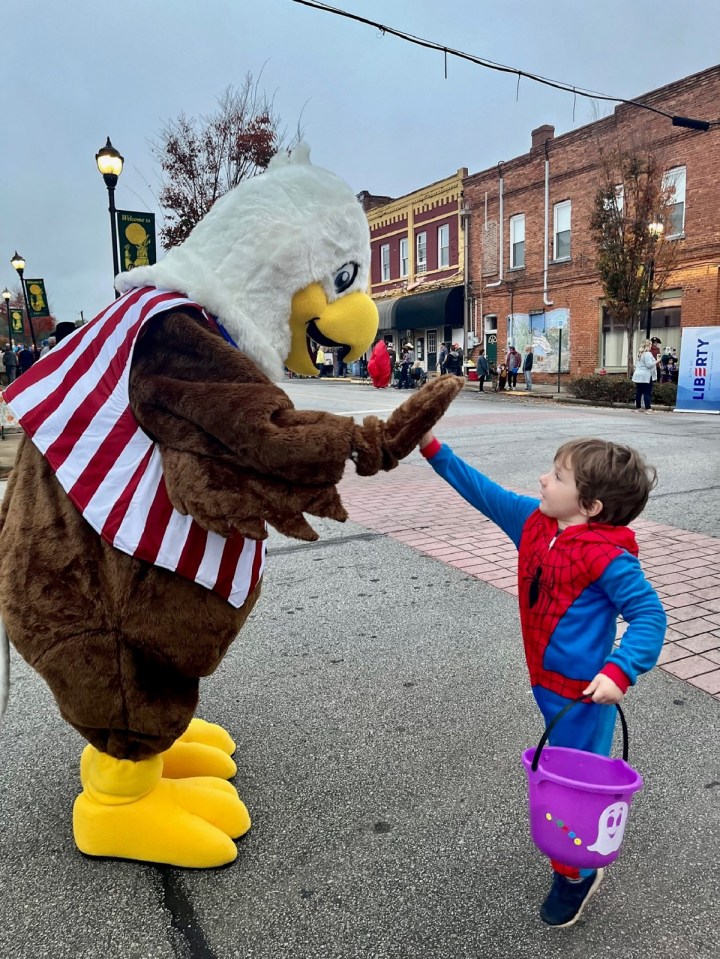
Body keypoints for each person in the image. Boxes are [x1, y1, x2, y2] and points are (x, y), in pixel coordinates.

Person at [417, 429, 666, 927]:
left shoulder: (608, 557)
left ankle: (575, 874)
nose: (542, 479)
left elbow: (649, 615)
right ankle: (574, 845)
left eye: (557, 476)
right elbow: (481, 489)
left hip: (583, 697)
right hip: (543, 682)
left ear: (590, 506)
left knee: (571, 788)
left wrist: (620, 669)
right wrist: (431, 447)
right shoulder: (534, 522)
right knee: (563, 775)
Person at [632, 340, 657, 413]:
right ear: (648, 345)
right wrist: (657, 361)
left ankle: (638, 407)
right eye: (650, 345)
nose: (651, 346)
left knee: (639, 392)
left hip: (638, 375)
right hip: (646, 375)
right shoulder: (648, 354)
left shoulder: (639, 353)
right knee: (647, 392)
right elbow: (649, 365)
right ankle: (648, 408)